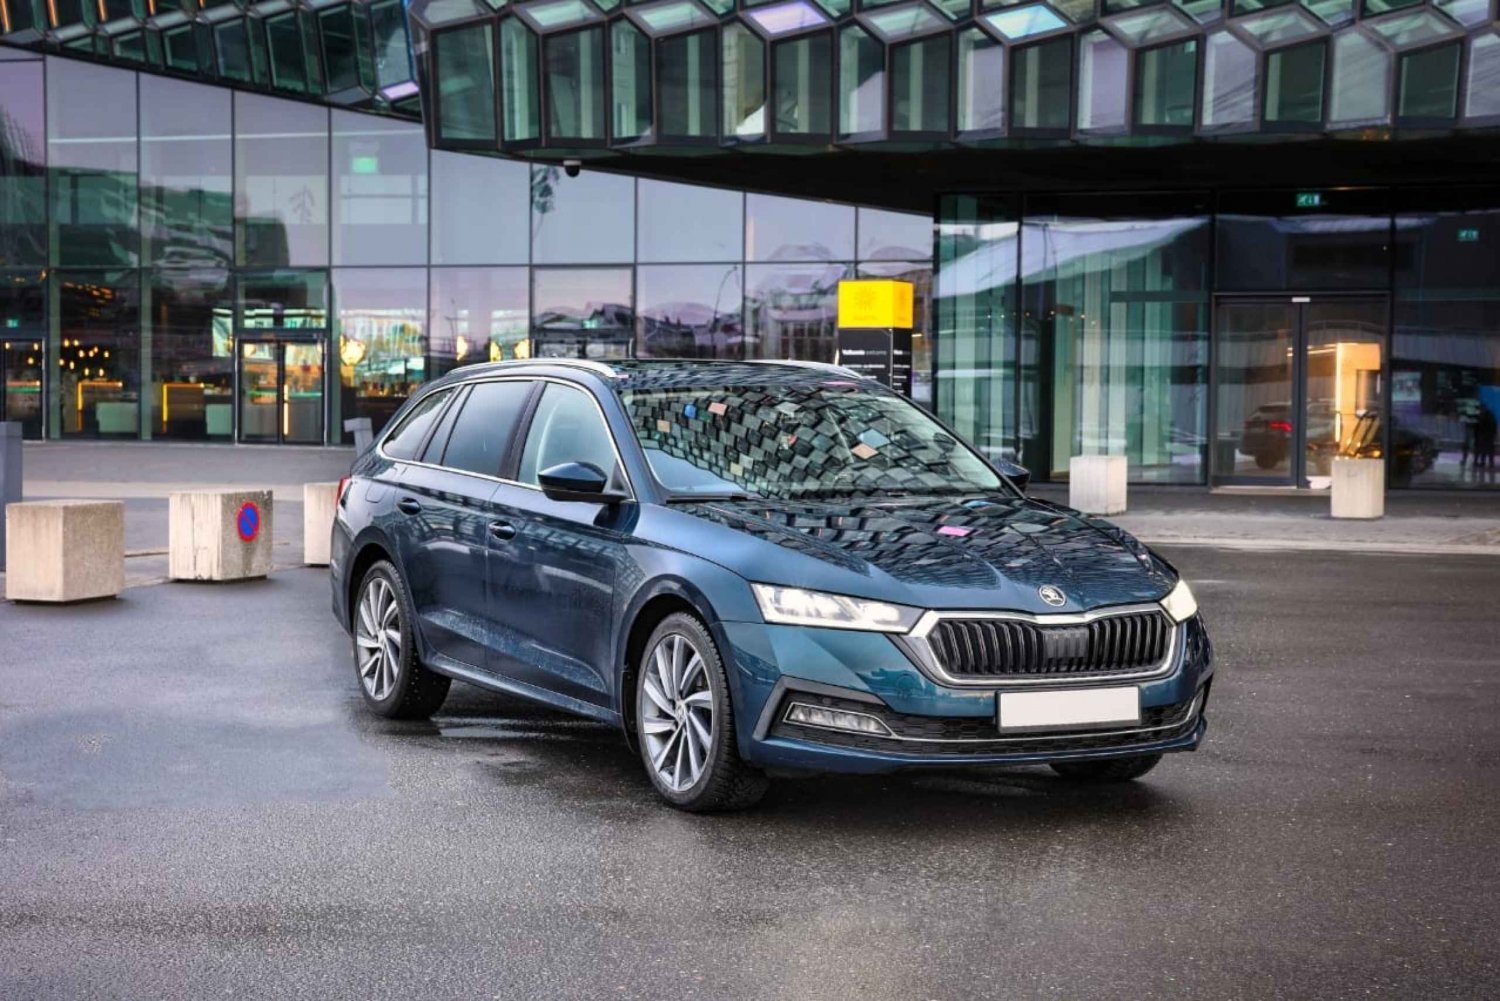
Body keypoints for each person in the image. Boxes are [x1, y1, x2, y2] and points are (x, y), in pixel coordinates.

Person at [1475, 402, 1497, 471]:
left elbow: (1480, 426)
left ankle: (1484, 462)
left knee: (1483, 448)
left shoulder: (1484, 415)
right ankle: (1488, 463)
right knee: (1488, 449)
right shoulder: (1489, 415)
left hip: (1486, 435)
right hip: (1488, 435)